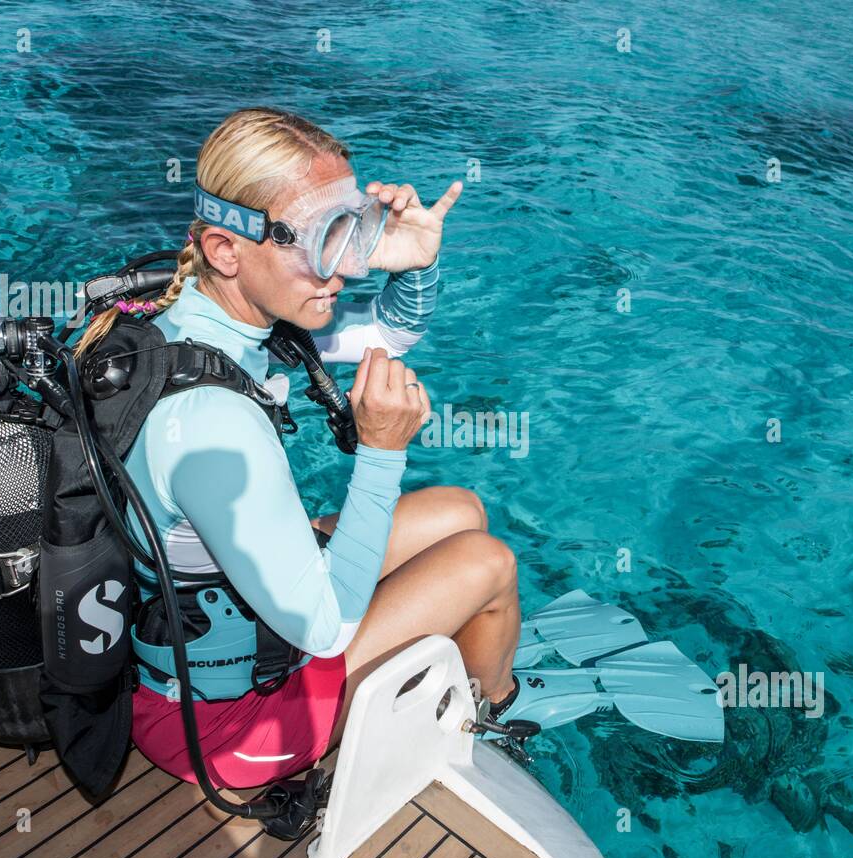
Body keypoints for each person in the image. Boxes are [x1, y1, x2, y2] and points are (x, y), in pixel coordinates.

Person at [76, 107, 524, 788]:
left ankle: (464, 678)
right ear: (226, 249)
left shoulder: (194, 321)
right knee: (488, 565)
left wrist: (414, 262)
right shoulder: (210, 421)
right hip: (229, 726)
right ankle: (492, 727)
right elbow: (326, 628)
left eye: (353, 231)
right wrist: (380, 451)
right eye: (323, 241)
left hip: (208, 628)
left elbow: (389, 334)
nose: (345, 270)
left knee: (459, 510)